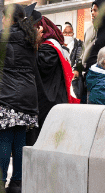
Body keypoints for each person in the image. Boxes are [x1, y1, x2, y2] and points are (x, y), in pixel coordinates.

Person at [0, 3, 39, 193]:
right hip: (27, 96)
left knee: (4, 140)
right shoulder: (31, 38)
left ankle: (0, 185)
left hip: (5, 95)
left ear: (9, 18)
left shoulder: (1, 37)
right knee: (20, 140)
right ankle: (17, 184)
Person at [27, 11, 74, 146]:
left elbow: (39, 68)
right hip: (52, 101)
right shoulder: (50, 47)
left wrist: (33, 44)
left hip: (50, 102)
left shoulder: (49, 48)